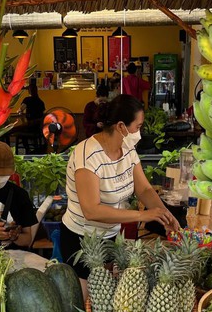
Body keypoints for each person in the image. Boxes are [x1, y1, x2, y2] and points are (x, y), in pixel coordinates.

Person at [61, 94, 180, 278]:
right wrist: (143, 215)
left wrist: (165, 215)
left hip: (111, 236)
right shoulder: (88, 156)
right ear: (121, 126)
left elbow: (144, 189)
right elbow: (91, 210)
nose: (140, 133)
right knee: (86, 301)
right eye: (138, 127)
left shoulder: (128, 150)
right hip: (82, 241)